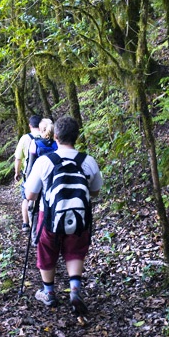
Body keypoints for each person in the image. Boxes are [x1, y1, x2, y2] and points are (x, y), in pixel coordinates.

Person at [24, 116, 103, 313]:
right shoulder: (88, 161)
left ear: (56, 136)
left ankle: (49, 292)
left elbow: (31, 195)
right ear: (76, 136)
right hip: (80, 217)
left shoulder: (44, 161)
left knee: (47, 250)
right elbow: (95, 191)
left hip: (49, 217)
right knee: (75, 249)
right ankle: (75, 289)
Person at [25, 118, 58, 245]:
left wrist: (28, 184)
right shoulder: (57, 144)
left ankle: (35, 237)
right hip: (54, 181)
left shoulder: (35, 143)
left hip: (39, 180)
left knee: (34, 209)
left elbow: (30, 166)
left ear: (40, 129)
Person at [14, 114, 42, 232]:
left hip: (29, 173)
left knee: (26, 198)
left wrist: (17, 172)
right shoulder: (47, 136)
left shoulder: (25, 138)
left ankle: (26, 224)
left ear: (30, 125)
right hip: (44, 172)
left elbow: (18, 158)